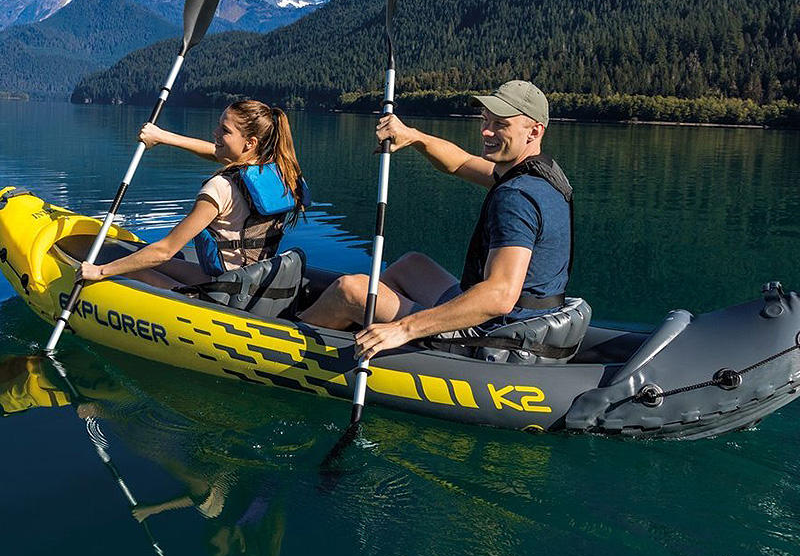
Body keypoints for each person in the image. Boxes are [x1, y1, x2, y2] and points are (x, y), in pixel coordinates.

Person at [299, 80, 572, 358]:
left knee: (350, 290)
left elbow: (499, 296)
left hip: (494, 334)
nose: (486, 131)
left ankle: (288, 342)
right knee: (410, 266)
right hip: (526, 320)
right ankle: (363, 338)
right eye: (485, 120)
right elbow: (461, 163)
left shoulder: (515, 197)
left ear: (534, 131)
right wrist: (413, 136)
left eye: (500, 124)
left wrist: (404, 328)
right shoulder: (540, 173)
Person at [80, 100, 309, 289]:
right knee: (154, 263)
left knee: (129, 269)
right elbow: (216, 152)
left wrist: (100, 271)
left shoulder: (220, 187)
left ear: (250, 143)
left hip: (225, 288)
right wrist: (162, 137)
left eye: (225, 130)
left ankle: (188, 298)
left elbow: (164, 251)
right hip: (254, 280)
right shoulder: (282, 174)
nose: (215, 133)